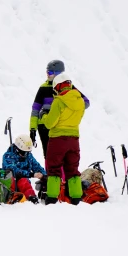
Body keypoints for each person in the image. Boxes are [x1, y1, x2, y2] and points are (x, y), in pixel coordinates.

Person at [40, 72, 85, 204]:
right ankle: (76, 197)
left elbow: (49, 123)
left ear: (58, 86)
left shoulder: (59, 101)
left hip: (58, 140)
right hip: (74, 140)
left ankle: (52, 197)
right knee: (72, 169)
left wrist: (43, 116)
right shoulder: (80, 102)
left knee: (54, 168)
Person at [29, 60, 90, 158]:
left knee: (62, 155)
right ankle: (51, 172)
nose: (47, 75)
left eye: (50, 72)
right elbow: (35, 110)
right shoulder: (43, 88)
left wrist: (66, 110)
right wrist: (32, 129)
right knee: (48, 154)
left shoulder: (68, 87)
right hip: (44, 125)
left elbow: (85, 102)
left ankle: (62, 173)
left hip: (61, 125)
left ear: (58, 74)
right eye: (47, 72)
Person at [2, 134, 46, 203]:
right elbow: (14, 171)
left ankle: (36, 195)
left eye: (27, 152)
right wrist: (31, 174)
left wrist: (44, 176)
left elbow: (36, 166)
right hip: (12, 183)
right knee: (22, 179)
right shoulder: (8, 156)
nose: (26, 154)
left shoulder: (28, 156)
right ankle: (25, 196)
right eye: (23, 152)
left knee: (25, 181)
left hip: (24, 184)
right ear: (17, 149)